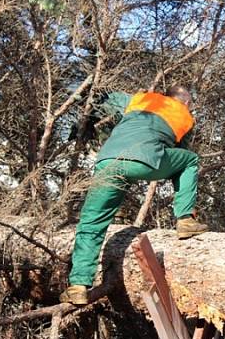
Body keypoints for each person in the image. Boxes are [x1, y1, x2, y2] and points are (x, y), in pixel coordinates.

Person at [59, 85, 208, 305]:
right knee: (190, 160)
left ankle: (78, 286)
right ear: (186, 103)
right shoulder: (185, 116)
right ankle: (185, 220)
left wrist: (86, 122)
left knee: (92, 221)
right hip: (146, 162)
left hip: (109, 160)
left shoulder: (139, 100)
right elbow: (180, 153)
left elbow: (99, 97)